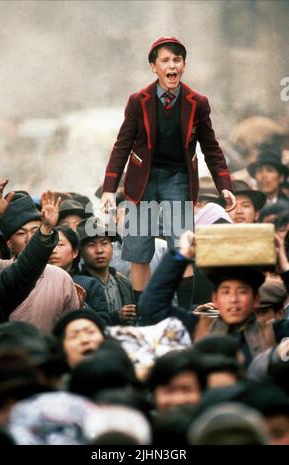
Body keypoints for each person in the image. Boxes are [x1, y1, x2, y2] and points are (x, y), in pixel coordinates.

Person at [100, 36, 235, 304]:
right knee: (138, 248)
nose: (172, 66)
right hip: (143, 179)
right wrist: (108, 189)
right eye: (165, 61)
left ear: (183, 65)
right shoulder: (138, 101)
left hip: (179, 178)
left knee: (182, 246)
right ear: (154, 67)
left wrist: (225, 186)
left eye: (177, 60)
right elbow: (122, 145)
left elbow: (211, 147)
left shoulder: (198, 102)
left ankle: (184, 310)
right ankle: (143, 313)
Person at [140, 231, 289, 366]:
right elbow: (151, 308)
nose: (233, 299)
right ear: (215, 299)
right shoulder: (197, 327)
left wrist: (285, 269)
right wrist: (181, 257)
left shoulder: (274, 332)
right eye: (226, 292)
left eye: (242, 292)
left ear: (256, 299)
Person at [0, 187, 79, 332]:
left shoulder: (61, 278)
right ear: (9, 243)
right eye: (20, 233)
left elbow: (72, 327)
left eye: (35, 231)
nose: (29, 239)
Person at [77, 217, 136, 325]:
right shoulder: (79, 286)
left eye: (104, 243)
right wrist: (115, 317)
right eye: (91, 245)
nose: (99, 250)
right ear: (81, 252)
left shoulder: (123, 283)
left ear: (111, 247)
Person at [49, 225, 109, 318]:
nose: (54, 250)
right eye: (50, 244)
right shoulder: (35, 282)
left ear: (75, 252)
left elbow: (103, 320)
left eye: (60, 245)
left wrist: (82, 306)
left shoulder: (89, 284)